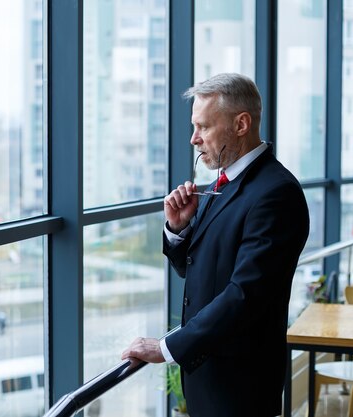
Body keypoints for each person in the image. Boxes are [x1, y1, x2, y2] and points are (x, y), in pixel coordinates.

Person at [121, 73, 310, 417]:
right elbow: (196, 268)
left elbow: (245, 295)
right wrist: (178, 230)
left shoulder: (276, 193)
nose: (194, 139)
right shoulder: (221, 184)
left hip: (241, 384)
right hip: (208, 375)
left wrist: (165, 347)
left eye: (204, 127)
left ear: (241, 124)